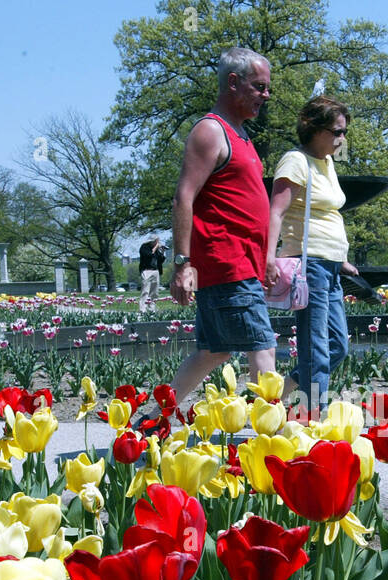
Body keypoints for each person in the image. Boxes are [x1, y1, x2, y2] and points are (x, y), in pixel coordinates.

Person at [154, 47, 277, 423]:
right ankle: (270, 441)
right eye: (259, 87)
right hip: (227, 264)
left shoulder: (241, 135)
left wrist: (268, 257)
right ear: (233, 83)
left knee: (214, 352)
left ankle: (150, 420)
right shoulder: (211, 131)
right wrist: (181, 263)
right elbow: (184, 197)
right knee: (263, 347)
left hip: (244, 265)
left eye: (268, 88)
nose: (266, 95)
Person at [266, 96, 359, 413]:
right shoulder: (296, 161)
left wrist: (341, 258)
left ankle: (287, 389)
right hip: (309, 266)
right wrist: (268, 258)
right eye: (337, 132)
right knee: (316, 349)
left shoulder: (327, 162)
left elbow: (327, 212)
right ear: (313, 128)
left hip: (330, 267)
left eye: (344, 132)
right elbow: (275, 212)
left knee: (337, 347)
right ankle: (312, 419)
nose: (342, 139)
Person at [138, 237, 165, 311]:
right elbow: (149, 255)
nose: (158, 243)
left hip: (155, 271)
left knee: (154, 292)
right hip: (146, 271)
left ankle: (152, 309)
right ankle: (143, 309)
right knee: (145, 291)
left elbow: (161, 260)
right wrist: (156, 247)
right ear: (152, 241)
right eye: (157, 241)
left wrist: (162, 251)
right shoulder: (144, 247)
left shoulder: (156, 249)